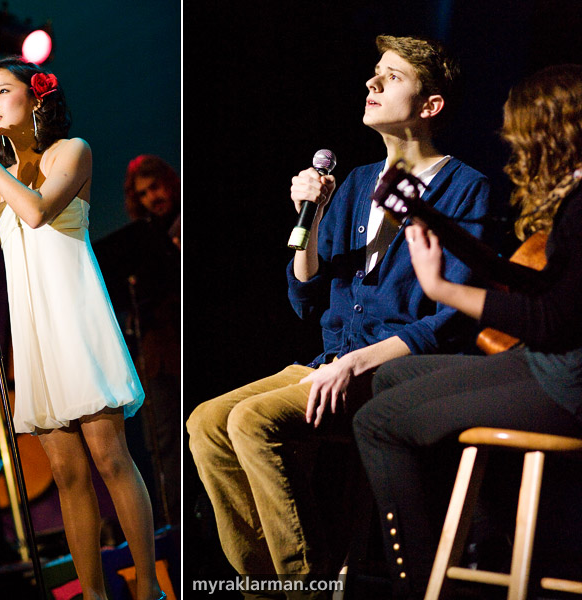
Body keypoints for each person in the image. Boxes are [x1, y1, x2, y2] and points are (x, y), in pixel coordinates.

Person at [187, 34, 491, 594]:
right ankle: (268, 583)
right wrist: (313, 217)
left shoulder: (466, 190)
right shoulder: (353, 184)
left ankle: (304, 584)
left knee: (251, 421)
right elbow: (306, 298)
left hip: (393, 369)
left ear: (430, 106)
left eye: (392, 77)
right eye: (375, 73)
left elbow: (451, 320)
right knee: (205, 422)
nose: (372, 83)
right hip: (330, 359)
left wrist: (355, 365)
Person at [353, 63, 582, 599]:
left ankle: (425, 587)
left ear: (551, 131)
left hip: (567, 385)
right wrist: (435, 222)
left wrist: (444, 289)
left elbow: (552, 320)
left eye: (522, 135)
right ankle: (477, 544)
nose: (515, 146)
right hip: (554, 366)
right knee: (393, 380)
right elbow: (544, 286)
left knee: (377, 423)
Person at [0, 57, 164, 600]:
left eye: (2, 91)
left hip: (76, 318)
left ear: (35, 99)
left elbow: (37, 212)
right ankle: (93, 594)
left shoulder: (72, 150)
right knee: (67, 473)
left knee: (111, 457)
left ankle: (148, 589)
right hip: (35, 332)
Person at [95, 155, 181, 527]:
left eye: (157, 187)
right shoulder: (140, 239)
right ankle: (176, 522)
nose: (153, 197)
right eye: (144, 193)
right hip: (156, 348)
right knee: (163, 438)